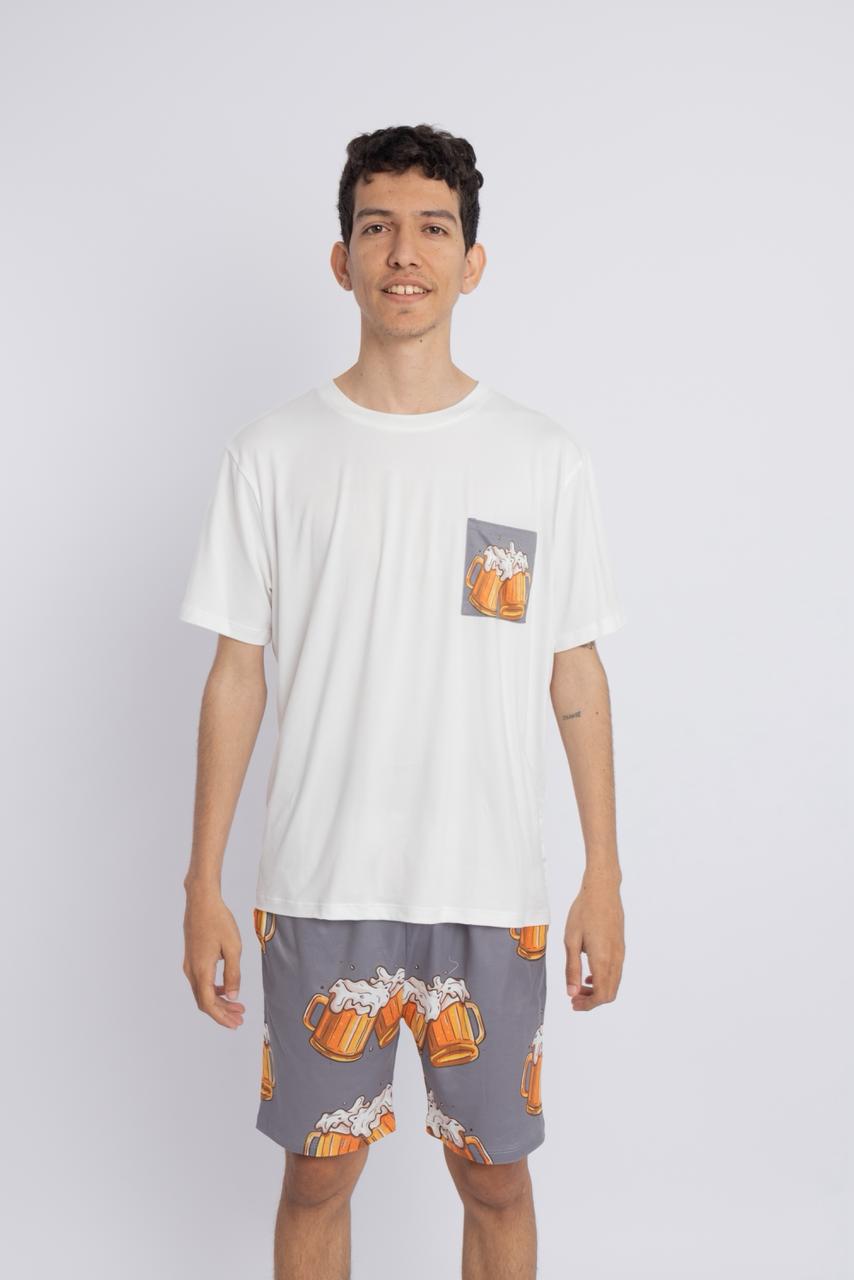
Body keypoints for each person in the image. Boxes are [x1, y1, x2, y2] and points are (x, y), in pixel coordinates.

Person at [179, 123, 627, 1280]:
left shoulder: (540, 456)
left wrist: (603, 872)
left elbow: (573, 669)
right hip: (322, 882)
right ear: (342, 260)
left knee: (495, 1177)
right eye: (375, 227)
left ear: (471, 261)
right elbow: (236, 671)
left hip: (490, 887)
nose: (403, 252)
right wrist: (201, 880)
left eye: (432, 228)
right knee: (316, 1174)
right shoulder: (272, 453)